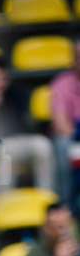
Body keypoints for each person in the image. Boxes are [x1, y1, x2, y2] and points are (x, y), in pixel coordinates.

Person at [0, 57, 54, 190]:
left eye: (2, 79)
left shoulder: (17, 93)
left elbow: (17, 125)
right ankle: (2, 202)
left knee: (43, 145)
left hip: (21, 139)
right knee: (5, 149)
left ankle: (47, 197)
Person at [50, 38, 80, 205]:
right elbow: (61, 127)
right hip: (73, 140)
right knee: (62, 144)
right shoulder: (61, 84)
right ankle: (66, 204)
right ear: (74, 61)